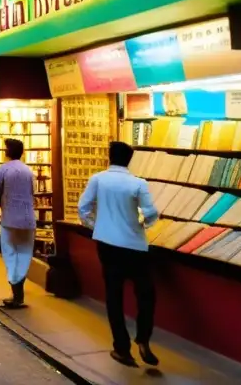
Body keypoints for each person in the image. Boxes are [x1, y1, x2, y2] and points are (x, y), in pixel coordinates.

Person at [79, 141, 160, 368]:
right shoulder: (138, 183)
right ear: (129, 160)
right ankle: (143, 338)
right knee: (146, 294)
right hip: (135, 246)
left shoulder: (98, 179)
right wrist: (144, 224)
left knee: (114, 296)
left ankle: (122, 349)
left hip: (108, 245)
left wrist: (96, 226)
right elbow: (151, 213)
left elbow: (83, 208)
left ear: (109, 157)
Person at [0, 138, 36, 309]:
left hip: (9, 218)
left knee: (10, 255)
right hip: (28, 218)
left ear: (7, 152)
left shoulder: (3, 169)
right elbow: (33, 193)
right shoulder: (29, 171)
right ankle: (19, 295)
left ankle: (16, 294)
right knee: (24, 255)